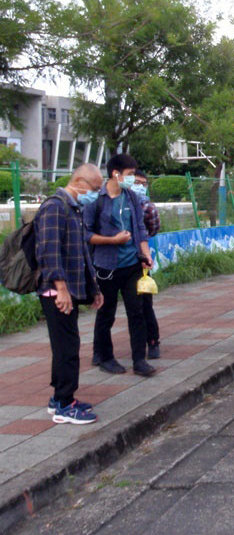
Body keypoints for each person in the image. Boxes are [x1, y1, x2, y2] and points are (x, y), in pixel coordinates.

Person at [35, 164, 105, 424]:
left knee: (65, 345)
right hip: (57, 291)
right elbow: (49, 253)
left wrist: (93, 288)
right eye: (95, 188)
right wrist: (62, 290)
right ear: (79, 181)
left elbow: (82, 252)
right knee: (68, 347)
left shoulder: (74, 208)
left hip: (70, 289)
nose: (96, 194)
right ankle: (65, 403)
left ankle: (58, 399)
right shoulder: (55, 207)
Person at [84, 153, 155, 377]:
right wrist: (112, 241)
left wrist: (146, 254)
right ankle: (105, 356)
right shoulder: (96, 200)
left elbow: (141, 230)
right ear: (116, 174)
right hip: (106, 266)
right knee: (107, 313)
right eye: (130, 174)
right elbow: (85, 234)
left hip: (132, 264)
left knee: (137, 312)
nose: (133, 179)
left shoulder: (132, 198)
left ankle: (139, 360)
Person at [132, 170, 161, 359]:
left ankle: (152, 342)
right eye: (136, 182)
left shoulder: (147, 208)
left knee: (145, 304)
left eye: (143, 183)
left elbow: (152, 231)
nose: (140, 187)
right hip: (113, 263)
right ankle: (100, 351)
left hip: (140, 261)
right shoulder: (111, 203)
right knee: (106, 309)